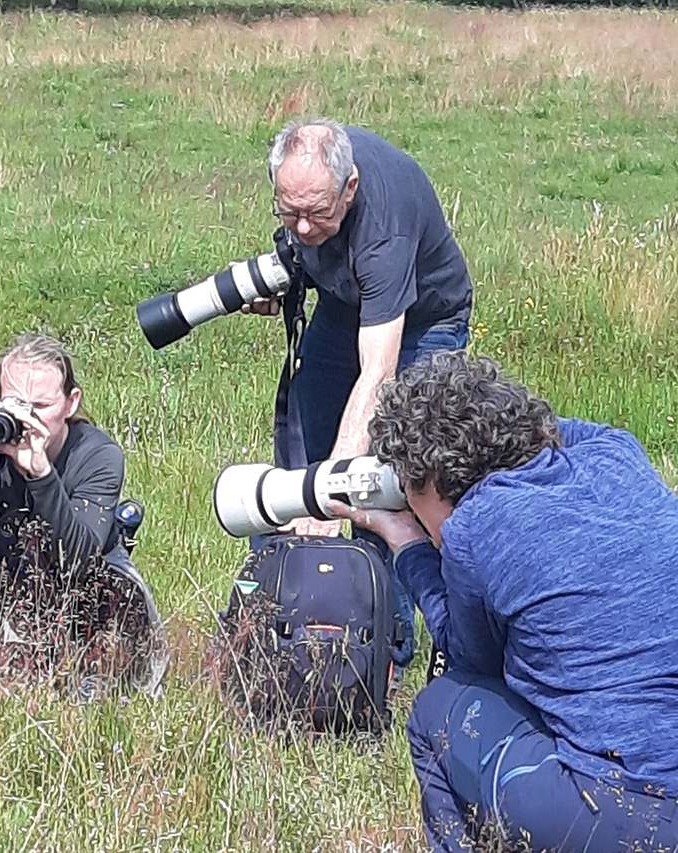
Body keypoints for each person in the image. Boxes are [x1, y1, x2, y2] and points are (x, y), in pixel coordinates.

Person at [330, 351, 678, 853]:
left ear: (429, 480)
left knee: (435, 711)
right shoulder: (616, 452)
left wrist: (407, 544)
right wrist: (488, 425)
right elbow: (552, 432)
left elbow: (470, 656)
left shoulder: (474, 528)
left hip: (624, 812)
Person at [250, 117, 474, 669]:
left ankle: (388, 647)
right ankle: (291, 613)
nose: (302, 227)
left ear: (349, 187)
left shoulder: (383, 228)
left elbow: (378, 371)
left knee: (393, 476)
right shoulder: (311, 191)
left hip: (425, 320)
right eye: (288, 211)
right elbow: (302, 237)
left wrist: (332, 489)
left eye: (317, 214)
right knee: (308, 442)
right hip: (344, 309)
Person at [0, 334, 167, 699]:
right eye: (16, 404)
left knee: (107, 679)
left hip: (91, 588)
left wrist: (42, 477)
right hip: (0, 579)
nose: (27, 419)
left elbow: (79, 561)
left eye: (40, 406)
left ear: (71, 403)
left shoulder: (97, 455)